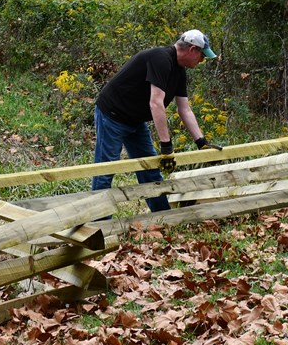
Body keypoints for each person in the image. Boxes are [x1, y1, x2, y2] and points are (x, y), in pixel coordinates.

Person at [92, 30, 223, 212]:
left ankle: (163, 218)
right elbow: (156, 103)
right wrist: (166, 146)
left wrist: (202, 143)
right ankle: (98, 227)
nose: (201, 61)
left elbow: (184, 108)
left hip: (135, 121)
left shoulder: (179, 70)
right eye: (202, 56)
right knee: (106, 171)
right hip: (112, 115)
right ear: (192, 49)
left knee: (151, 169)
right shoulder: (160, 59)